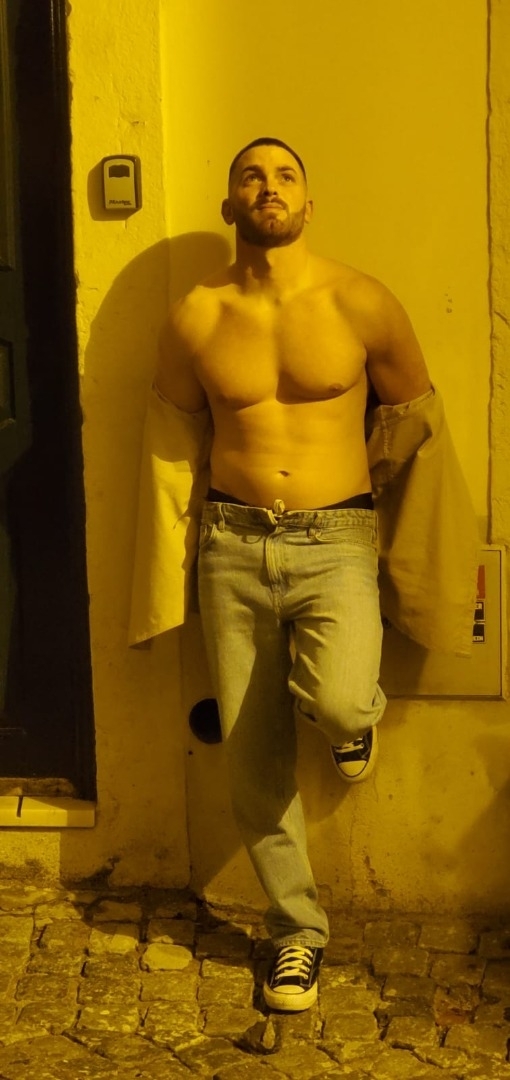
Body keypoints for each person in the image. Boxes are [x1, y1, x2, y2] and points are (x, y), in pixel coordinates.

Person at [130, 137, 479, 1013]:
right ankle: (296, 933)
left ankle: (353, 720)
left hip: (337, 538)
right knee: (254, 760)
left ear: (308, 205)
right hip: (233, 543)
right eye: (251, 175)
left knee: (339, 700)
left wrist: (372, 506)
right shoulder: (196, 317)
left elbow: (413, 420)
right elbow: (173, 449)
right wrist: (165, 574)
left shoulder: (360, 300)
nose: (269, 186)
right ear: (230, 205)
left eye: (285, 175)